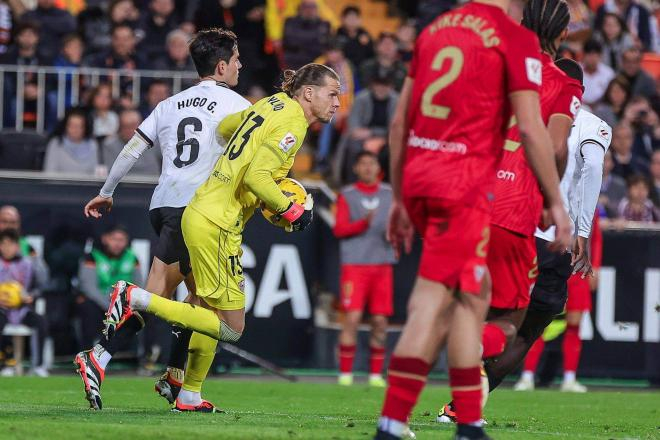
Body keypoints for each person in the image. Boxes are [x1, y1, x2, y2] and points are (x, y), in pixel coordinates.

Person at [375, 0, 571, 437]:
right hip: (461, 184)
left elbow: (399, 122)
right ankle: (391, 421)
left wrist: (400, 197)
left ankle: (469, 421)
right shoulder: (514, 39)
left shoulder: (435, 29)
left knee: (472, 297)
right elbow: (533, 129)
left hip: (423, 176)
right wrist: (556, 202)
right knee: (431, 302)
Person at [100, 63, 338, 413]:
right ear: (308, 93)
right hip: (217, 222)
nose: (337, 103)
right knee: (231, 327)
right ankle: (136, 297)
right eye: (332, 94)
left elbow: (227, 127)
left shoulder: (270, 104)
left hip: (204, 211)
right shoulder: (293, 122)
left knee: (208, 310)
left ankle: (189, 394)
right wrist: (291, 210)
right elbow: (258, 178)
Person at [73, 28, 251, 412]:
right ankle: (101, 356)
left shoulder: (170, 104)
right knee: (164, 299)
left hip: (164, 204)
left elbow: (132, 148)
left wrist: (107, 190)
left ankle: (175, 380)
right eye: (236, 58)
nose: (241, 64)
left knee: (194, 300)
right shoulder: (238, 106)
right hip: (197, 209)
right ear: (221, 66)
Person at [436, 2, 584, 424]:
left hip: (469, 198)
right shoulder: (563, 81)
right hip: (519, 209)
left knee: (465, 302)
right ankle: (465, 366)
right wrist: (550, 200)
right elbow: (556, 148)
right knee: (516, 319)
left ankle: (452, 379)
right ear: (563, 32)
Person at [479, 106, 612, 410]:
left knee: (497, 312)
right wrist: (583, 230)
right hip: (553, 238)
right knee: (526, 330)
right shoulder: (594, 125)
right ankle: (469, 388)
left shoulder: (527, 114)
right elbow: (592, 166)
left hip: (510, 226)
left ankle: (468, 372)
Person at [515, 216, 602, 393]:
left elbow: (596, 238)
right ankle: (527, 376)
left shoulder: (588, 202)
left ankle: (569, 378)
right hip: (552, 265)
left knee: (574, 325)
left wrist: (596, 265)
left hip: (577, 270)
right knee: (539, 322)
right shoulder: (555, 198)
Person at [334, 151, 395, 388]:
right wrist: (363, 223)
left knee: (380, 321)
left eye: (372, 163)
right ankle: (345, 374)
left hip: (382, 264)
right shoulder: (347, 195)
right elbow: (339, 230)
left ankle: (375, 375)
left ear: (378, 168)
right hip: (355, 265)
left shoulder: (390, 194)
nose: (368, 168)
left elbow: (401, 224)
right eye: (363, 164)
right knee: (352, 317)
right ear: (356, 168)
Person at [75, 225, 142, 350]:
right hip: (100, 303)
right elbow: (88, 288)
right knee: (86, 306)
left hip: (124, 305)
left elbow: (139, 285)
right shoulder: (92, 257)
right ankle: (86, 355)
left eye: (121, 240)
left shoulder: (132, 258)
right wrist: (110, 308)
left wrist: (124, 306)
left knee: (144, 313)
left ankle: (140, 357)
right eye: (114, 239)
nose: (118, 244)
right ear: (105, 239)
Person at [0, 229, 48, 377]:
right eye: (3, 244)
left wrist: (31, 296)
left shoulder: (28, 264)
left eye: (11, 244)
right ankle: (6, 363)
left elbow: (42, 285)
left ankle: (38, 365)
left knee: (41, 322)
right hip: (1, 308)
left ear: (18, 246)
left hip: (22, 308)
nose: (7, 248)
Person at [335, 72, 399, 184]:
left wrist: (374, 135)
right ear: (373, 86)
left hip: (387, 138)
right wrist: (366, 137)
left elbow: (396, 127)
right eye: (378, 85)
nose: (381, 88)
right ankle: (350, 183)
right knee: (353, 146)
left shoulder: (396, 100)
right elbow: (353, 124)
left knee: (391, 151)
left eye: (385, 85)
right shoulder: (361, 98)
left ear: (390, 87)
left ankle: (387, 186)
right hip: (362, 138)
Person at [101, 109, 161, 176]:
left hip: (152, 184)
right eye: (125, 126)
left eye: (132, 125)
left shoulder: (154, 143)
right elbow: (112, 174)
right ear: (119, 127)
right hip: (124, 185)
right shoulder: (110, 146)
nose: (129, 130)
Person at [43, 108, 99, 175]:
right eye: (71, 125)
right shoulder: (56, 143)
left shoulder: (92, 144)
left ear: (85, 128)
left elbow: (95, 173)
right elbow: (49, 173)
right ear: (65, 126)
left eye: (78, 126)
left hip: (86, 185)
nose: (74, 130)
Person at [282, 0, 331, 69]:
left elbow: (324, 46)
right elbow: (290, 42)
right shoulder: (290, 22)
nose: (309, 10)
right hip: (294, 63)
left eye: (312, 6)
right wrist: (315, 38)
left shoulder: (324, 24)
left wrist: (301, 39)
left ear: (317, 9)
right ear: (300, 8)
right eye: (306, 6)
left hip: (317, 64)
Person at [335, 6, 373, 70]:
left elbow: (371, 54)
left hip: (362, 69)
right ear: (343, 19)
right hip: (343, 69)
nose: (352, 21)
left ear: (360, 20)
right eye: (350, 18)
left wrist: (367, 44)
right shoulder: (337, 35)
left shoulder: (365, 35)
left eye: (355, 18)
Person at [581, 40, 615, 106]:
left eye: (595, 55)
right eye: (589, 54)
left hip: (602, 108)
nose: (592, 58)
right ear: (583, 55)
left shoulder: (609, 73)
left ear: (600, 56)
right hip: (580, 108)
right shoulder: (575, 70)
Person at [599, 150, 628, 217]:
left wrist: (608, 203)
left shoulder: (620, 184)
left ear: (612, 164)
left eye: (606, 159)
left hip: (615, 224)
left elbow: (624, 208)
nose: (602, 162)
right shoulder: (585, 183)